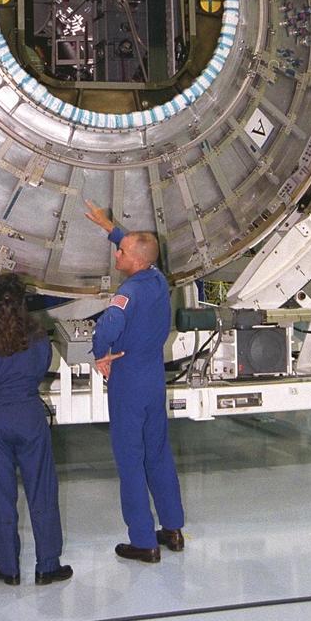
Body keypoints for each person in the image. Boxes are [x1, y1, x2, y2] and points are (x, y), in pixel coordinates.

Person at [84, 200, 185, 563]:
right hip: (153, 377)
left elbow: (108, 327)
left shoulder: (127, 293)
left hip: (128, 380)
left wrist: (100, 354)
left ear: (136, 261)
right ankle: (172, 529)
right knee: (158, 453)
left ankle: (143, 541)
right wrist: (108, 227)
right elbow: (138, 246)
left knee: (130, 460)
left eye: (121, 253)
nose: (117, 255)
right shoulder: (157, 279)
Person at [0, 273, 72, 587]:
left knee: (0, 496)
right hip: (28, 415)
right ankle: (47, 565)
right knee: (42, 492)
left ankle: (7, 567)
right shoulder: (38, 336)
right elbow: (41, 369)